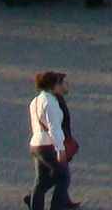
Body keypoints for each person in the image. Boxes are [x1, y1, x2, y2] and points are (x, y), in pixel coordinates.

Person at [26, 71, 73, 210]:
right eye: (61, 83)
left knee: (41, 181)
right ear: (54, 86)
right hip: (47, 146)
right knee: (63, 178)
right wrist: (60, 150)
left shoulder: (35, 101)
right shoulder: (50, 103)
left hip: (35, 144)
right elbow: (54, 128)